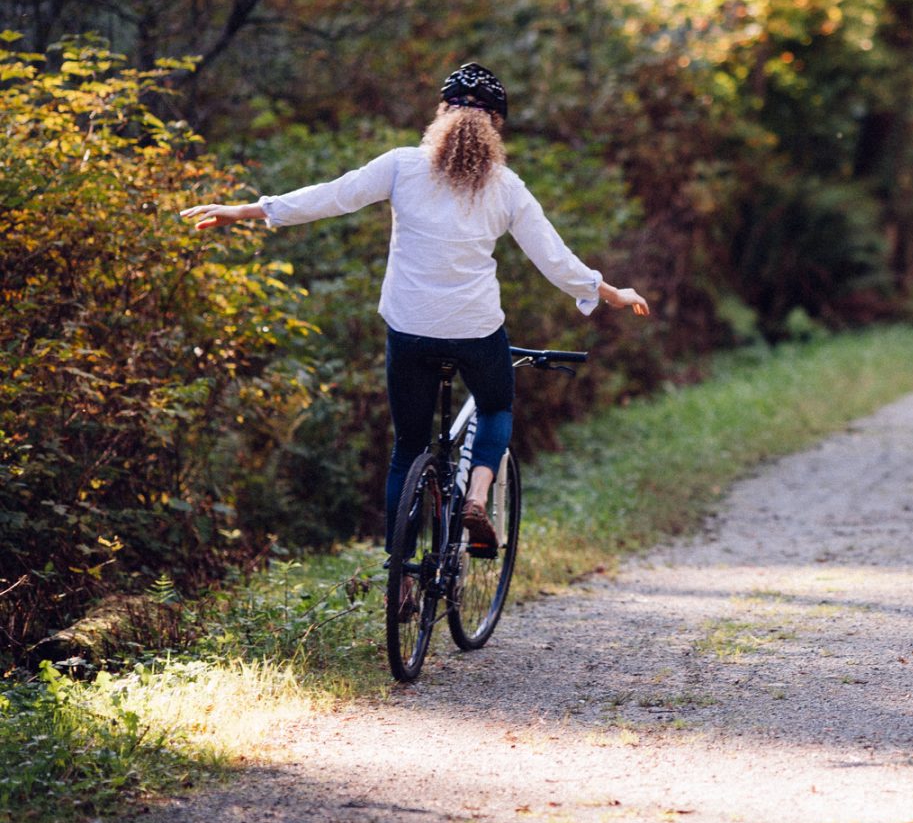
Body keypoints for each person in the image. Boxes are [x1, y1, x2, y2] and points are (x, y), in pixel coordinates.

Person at [180, 63, 649, 555]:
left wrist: (245, 211)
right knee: (495, 405)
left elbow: (330, 197)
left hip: (408, 329)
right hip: (475, 329)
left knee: (408, 447)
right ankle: (477, 497)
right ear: (495, 124)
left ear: (442, 113)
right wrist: (613, 293)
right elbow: (555, 260)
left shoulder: (402, 166)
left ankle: (400, 579)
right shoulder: (506, 186)